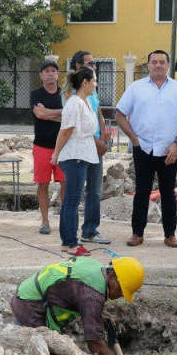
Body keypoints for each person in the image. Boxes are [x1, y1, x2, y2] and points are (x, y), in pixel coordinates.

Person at [115, 50, 177, 248]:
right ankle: (137, 234)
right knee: (142, 192)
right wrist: (134, 139)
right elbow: (119, 114)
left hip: (170, 151)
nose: (158, 65)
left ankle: (170, 234)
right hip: (143, 148)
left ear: (168, 65)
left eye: (162, 62)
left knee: (169, 192)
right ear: (148, 65)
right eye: (154, 62)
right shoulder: (135, 88)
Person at [10, 256, 144, 355]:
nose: (120, 295)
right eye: (121, 290)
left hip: (24, 292)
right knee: (50, 353)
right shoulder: (92, 295)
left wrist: (98, 317)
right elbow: (94, 341)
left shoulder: (95, 266)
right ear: (111, 276)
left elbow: (73, 290)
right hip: (29, 309)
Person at [51, 67, 100, 256]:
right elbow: (65, 131)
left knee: (71, 200)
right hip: (74, 156)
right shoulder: (74, 103)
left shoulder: (85, 101)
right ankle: (71, 243)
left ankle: (67, 241)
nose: (95, 84)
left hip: (82, 155)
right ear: (85, 83)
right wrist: (56, 153)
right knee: (72, 200)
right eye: (93, 81)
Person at [70, 50, 110, 245]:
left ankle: (90, 230)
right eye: (91, 63)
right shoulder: (72, 93)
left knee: (95, 190)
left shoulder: (92, 89)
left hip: (96, 146)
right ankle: (70, 235)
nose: (95, 66)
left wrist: (103, 136)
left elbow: (99, 113)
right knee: (77, 192)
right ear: (78, 65)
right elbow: (78, 126)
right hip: (81, 147)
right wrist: (98, 143)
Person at [30, 60, 66, 235]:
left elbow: (68, 117)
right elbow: (39, 114)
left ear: (58, 75)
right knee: (43, 184)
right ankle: (45, 221)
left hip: (64, 147)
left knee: (65, 183)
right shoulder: (35, 94)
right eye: (46, 71)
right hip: (42, 146)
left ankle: (65, 220)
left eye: (53, 70)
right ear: (41, 75)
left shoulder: (65, 94)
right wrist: (60, 112)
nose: (50, 73)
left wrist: (49, 114)